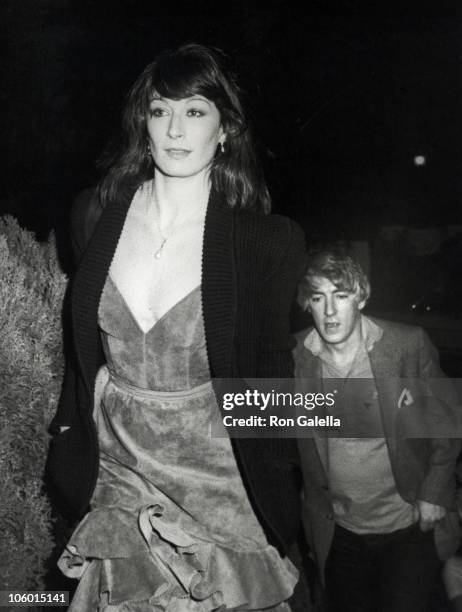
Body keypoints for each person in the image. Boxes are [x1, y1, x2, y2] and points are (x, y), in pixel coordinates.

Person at [47, 44, 306, 611]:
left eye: (195, 111)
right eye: (161, 110)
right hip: (119, 471)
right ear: (144, 122)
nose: (174, 129)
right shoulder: (93, 214)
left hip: (220, 479)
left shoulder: (267, 241)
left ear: (226, 128)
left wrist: (361, 416)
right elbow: (83, 355)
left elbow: (270, 373)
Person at [294, 249, 461, 612]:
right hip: (337, 532)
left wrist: (434, 490)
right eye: (319, 298)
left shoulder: (405, 345)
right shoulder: (294, 356)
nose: (330, 311)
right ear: (308, 303)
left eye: (341, 296)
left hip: (406, 524)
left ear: (362, 298)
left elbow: (449, 415)